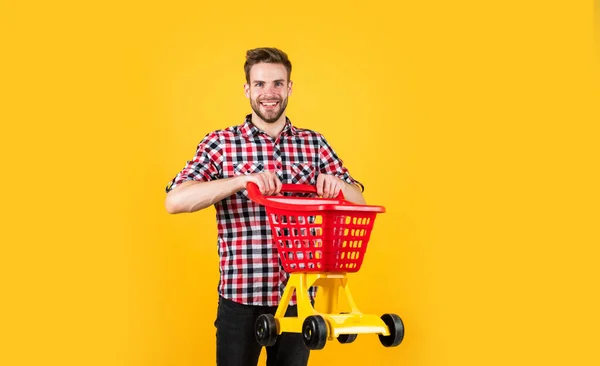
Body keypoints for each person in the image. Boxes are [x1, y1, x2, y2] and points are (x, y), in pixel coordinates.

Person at [165, 47, 366, 366]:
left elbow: (359, 200)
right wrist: (241, 181)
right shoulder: (221, 143)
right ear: (247, 89)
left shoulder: (314, 144)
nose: (269, 93)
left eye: (277, 83)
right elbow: (175, 200)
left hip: (299, 302)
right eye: (259, 84)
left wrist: (338, 186)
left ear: (289, 87)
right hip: (240, 300)